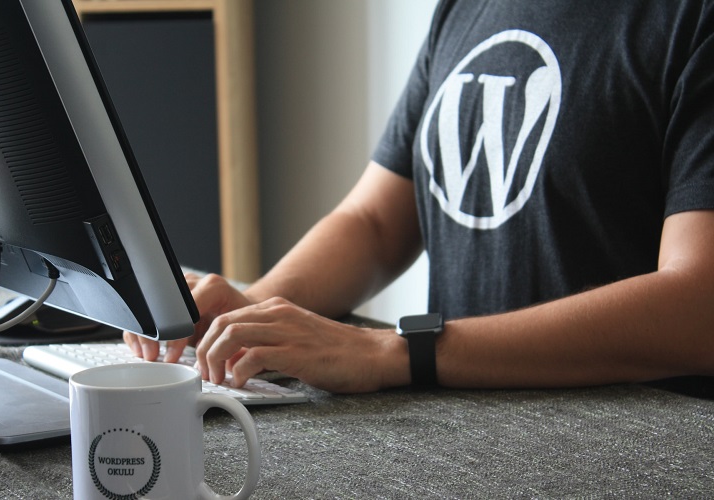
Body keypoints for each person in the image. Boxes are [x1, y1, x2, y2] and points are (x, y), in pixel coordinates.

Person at [125, 0, 714, 393]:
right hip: (464, 426)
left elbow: (699, 305)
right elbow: (376, 220)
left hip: (629, 445)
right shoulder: (465, 7)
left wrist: (398, 352)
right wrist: (253, 314)